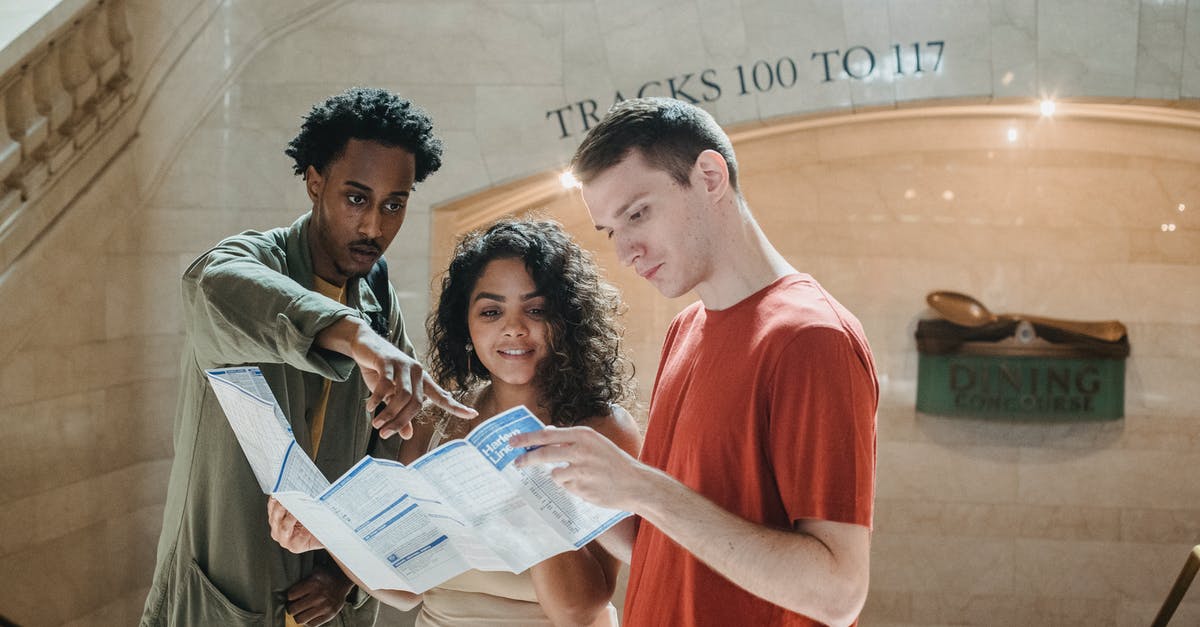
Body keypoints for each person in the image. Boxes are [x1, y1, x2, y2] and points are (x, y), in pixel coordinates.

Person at [510, 97, 879, 627]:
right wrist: (557, 487)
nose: (626, 251)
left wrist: (640, 485)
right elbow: (668, 545)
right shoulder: (687, 329)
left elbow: (837, 594)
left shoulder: (812, 338)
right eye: (612, 230)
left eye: (638, 213)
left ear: (709, 176)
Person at [140, 87, 476, 627]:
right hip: (223, 599)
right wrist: (357, 338)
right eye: (356, 198)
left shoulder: (377, 292)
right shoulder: (250, 262)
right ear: (315, 181)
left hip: (327, 608)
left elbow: (391, 450)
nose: (374, 227)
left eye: (395, 204)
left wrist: (343, 575)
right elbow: (209, 285)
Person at [268, 218, 642, 627]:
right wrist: (331, 535)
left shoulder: (602, 430)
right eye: (491, 311)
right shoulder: (434, 427)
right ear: (466, 325)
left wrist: (529, 502)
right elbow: (405, 588)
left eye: (536, 309)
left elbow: (577, 612)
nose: (514, 328)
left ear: (566, 320)